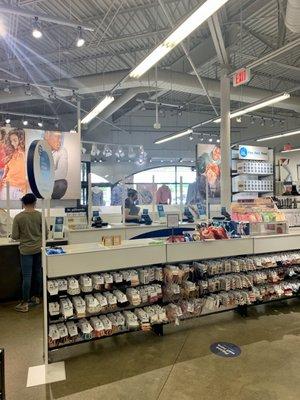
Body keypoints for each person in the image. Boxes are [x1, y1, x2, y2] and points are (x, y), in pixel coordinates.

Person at [12, 193, 45, 312]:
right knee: (38, 273)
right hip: (38, 249)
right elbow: (45, 233)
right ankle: (36, 298)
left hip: (25, 250)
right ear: (35, 203)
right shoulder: (40, 215)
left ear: (23, 203)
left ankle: (25, 303)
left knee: (27, 276)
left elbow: (15, 236)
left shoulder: (18, 217)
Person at [0, 129, 27, 200]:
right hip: (7, 188)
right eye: (11, 141)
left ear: (21, 140)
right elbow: (5, 174)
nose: (12, 143)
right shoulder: (12, 155)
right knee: (4, 210)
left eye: (15, 140)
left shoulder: (26, 155)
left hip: (21, 190)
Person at [44, 131, 68, 199]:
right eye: (58, 137)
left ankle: (53, 203)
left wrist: (44, 178)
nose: (60, 141)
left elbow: (62, 173)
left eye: (61, 138)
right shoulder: (36, 148)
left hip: (48, 182)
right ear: (47, 135)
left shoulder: (62, 151)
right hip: (37, 183)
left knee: (62, 184)